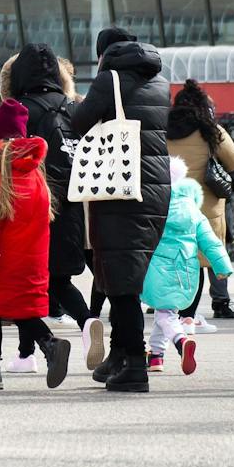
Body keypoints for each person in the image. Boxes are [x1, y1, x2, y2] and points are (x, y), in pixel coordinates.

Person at [70, 27, 172, 393]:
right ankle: (118, 355)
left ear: (103, 54)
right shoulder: (160, 82)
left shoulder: (107, 80)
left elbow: (78, 122)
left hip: (119, 188)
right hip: (156, 188)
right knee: (122, 274)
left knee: (122, 283)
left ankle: (134, 366)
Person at [0, 99, 72, 390]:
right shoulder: (33, 170)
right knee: (16, 306)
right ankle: (48, 346)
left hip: (2, 254)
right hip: (31, 253)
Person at [6, 43, 98, 374]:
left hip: (31, 204)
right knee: (57, 278)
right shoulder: (74, 107)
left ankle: (29, 352)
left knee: (18, 282)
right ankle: (87, 323)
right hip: (74, 203)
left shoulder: (16, 109)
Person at [143, 158, 233, 375]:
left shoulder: (154, 204)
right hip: (186, 269)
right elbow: (210, 240)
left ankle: (180, 340)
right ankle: (156, 356)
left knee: (165, 314)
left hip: (158, 268)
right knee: (167, 312)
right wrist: (222, 266)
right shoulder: (193, 209)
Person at [167, 78, 234, 326]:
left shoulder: (164, 130)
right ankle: (196, 313)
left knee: (175, 259)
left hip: (170, 206)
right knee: (204, 259)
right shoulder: (212, 131)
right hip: (206, 207)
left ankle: (174, 311)